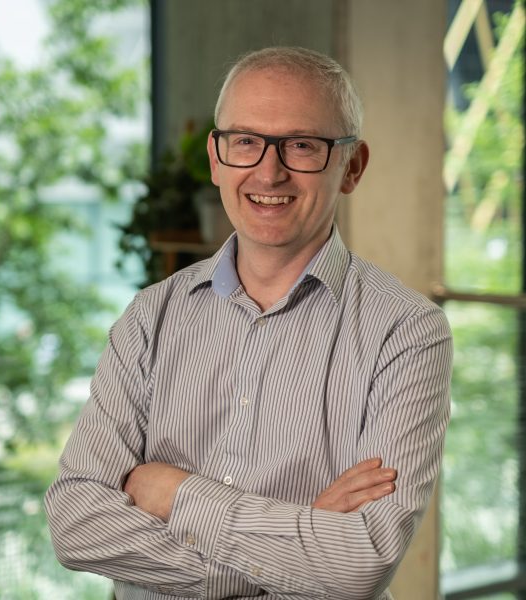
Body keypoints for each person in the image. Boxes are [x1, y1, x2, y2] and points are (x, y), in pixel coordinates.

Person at [45, 46, 452, 600]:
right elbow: (75, 527)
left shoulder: (406, 333)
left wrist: (178, 494)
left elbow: (359, 565)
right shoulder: (151, 317)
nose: (269, 171)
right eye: (246, 142)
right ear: (217, 158)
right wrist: (303, 531)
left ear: (351, 167)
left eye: (303, 145)